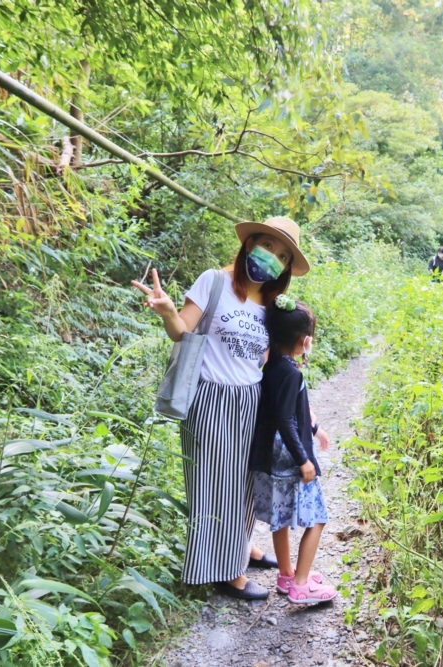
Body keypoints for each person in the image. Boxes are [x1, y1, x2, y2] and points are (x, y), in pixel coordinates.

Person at [132, 217, 311, 601]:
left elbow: (268, 356)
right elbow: (184, 330)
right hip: (210, 397)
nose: (273, 258)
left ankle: (240, 547)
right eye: (268, 246)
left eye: (282, 255)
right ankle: (226, 574)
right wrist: (166, 311)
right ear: (249, 245)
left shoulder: (270, 305)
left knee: (245, 483)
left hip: (250, 400)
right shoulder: (213, 281)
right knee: (214, 484)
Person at [248, 295, 336, 604]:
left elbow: (284, 413)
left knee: (281, 519)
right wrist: (304, 460)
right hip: (288, 460)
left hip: (270, 459)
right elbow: (286, 419)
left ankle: (287, 575)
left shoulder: (270, 364)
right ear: (305, 340)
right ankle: (301, 584)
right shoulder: (291, 373)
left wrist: (314, 428)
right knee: (319, 519)